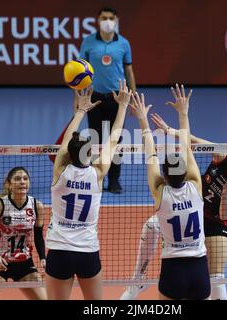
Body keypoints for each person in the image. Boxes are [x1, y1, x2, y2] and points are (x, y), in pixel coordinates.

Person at [120, 113, 227, 300]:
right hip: (192, 211)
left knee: (217, 279)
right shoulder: (224, 154)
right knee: (151, 226)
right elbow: (192, 141)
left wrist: (225, 194)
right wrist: (170, 130)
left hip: (216, 222)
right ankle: (138, 279)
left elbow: (225, 214)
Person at [45, 81, 132, 300]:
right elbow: (113, 138)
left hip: (59, 250)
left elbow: (65, 144)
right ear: (90, 153)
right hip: (87, 251)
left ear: (69, 154)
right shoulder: (99, 173)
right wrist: (122, 106)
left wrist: (81, 110)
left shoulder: (60, 170)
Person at [128, 85, 210, 300]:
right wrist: (183, 114)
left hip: (173, 269)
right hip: (199, 267)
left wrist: (142, 120)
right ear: (185, 172)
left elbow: (151, 154)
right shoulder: (195, 185)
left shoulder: (160, 192)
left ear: (164, 175)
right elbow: (186, 147)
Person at [78, 6, 137, 193]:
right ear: (98, 20)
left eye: (111, 18)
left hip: (117, 98)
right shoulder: (88, 42)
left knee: (116, 140)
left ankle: (114, 180)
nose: (108, 21)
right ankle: (97, 177)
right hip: (94, 98)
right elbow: (80, 71)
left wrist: (132, 97)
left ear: (116, 20)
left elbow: (129, 71)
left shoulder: (124, 44)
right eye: (104, 17)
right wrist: (78, 97)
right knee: (95, 140)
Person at [0, 167, 47, 300]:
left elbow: (38, 236)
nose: (22, 182)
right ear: (9, 185)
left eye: (25, 179)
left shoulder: (37, 206)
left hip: (25, 264)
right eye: (17, 179)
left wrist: (43, 258)